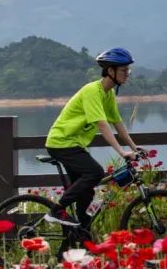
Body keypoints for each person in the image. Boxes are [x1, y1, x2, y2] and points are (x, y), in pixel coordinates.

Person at [44, 47, 142, 227]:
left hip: (74, 145)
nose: (127, 74)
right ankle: (56, 211)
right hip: (62, 143)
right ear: (110, 71)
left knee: (87, 192)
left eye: (128, 70)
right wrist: (122, 152)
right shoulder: (92, 91)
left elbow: (117, 123)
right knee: (95, 172)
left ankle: (79, 231)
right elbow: (102, 124)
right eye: (123, 70)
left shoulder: (108, 93)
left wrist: (135, 148)